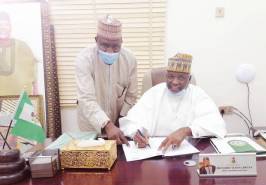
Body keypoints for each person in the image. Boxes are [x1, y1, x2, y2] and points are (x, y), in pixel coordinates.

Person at [120, 53, 226, 150]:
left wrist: (186, 130)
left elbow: (215, 123)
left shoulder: (198, 94)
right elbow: (132, 121)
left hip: (187, 153)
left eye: (181, 78)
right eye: (171, 76)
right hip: (155, 152)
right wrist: (138, 134)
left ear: (189, 79)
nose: (175, 82)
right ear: (166, 76)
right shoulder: (154, 93)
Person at [75, 15, 138, 145]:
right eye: (104, 45)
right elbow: (86, 99)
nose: (110, 51)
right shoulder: (84, 59)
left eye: (115, 46)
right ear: (96, 40)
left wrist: (120, 121)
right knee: (92, 160)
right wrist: (107, 125)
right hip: (90, 125)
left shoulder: (130, 59)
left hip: (118, 123)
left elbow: (131, 96)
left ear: (121, 41)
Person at [0, 11, 37, 96]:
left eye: (6, 25)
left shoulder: (22, 46)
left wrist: (35, 97)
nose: (3, 28)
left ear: (10, 27)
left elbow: (33, 76)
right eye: (0, 25)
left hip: (18, 100)